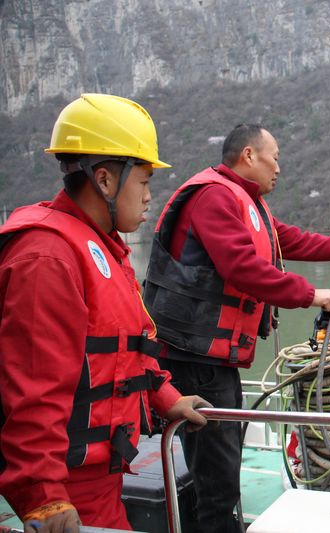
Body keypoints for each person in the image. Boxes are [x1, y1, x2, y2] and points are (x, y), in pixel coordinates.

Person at [142, 123, 330, 533]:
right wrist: (312, 294)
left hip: (214, 358)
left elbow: (293, 241)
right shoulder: (214, 197)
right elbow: (242, 267)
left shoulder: (247, 203)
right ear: (249, 155)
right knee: (217, 478)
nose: (279, 168)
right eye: (275, 158)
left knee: (223, 467)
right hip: (194, 356)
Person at [0, 94, 210, 533]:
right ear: (105, 180)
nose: (149, 197)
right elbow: (33, 387)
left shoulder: (101, 247)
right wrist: (45, 498)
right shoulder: (48, 258)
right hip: (68, 487)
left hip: (104, 476)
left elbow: (125, 352)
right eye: (144, 181)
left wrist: (169, 399)